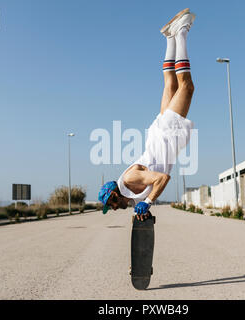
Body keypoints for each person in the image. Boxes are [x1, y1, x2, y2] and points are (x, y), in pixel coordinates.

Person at [98, 8, 196, 221]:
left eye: (112, 205)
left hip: (166, 135)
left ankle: (181, 32)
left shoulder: (129, 179)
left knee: (186, 87)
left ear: (114, 194)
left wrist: (148, 201)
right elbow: (146, 193)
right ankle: (169, 37)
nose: (114, 209)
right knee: (170, 84)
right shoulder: (129, 192)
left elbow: (162, 178)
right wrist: (142, 207)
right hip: (160, 135)